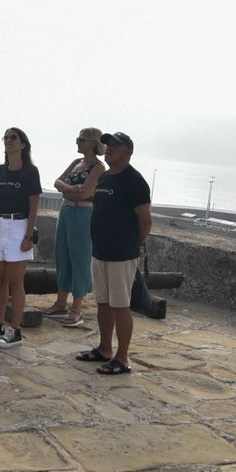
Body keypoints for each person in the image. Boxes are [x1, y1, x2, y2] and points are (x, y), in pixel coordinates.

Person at [76, 132, 152, 375]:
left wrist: (133, 243)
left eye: (115, 146)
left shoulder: (135, 182)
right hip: (100, 251)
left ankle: (122, 357)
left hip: (121, 254)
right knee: (103, 303)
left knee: (121, 306)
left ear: (128, 152)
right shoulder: (106, 177)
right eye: (108, 145)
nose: (108, 148)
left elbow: (145, 221)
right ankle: (105, 348)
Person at [0, 127, 40, 349]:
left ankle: (16, 329)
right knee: (0, 279)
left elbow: (34, 205)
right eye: (6, 137)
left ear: (23, 144)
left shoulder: (30, 172)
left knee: (16, 282)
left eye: (13, 138)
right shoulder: (1, 171)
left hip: (18, 225)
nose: (8, 141)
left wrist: (28, 234)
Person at [47, 127, 105, 327]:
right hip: (66, 211)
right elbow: (57, 182)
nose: (78, 142)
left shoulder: (98, 167)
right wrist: (71, 189)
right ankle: (61, 302)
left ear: (93, 143)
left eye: (82, 139)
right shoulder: (75, 163)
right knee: (62, 256)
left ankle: (76, 308)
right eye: (78, 138)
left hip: (83, 213)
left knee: (79, 258)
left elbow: (86, 193)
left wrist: (68, 190)